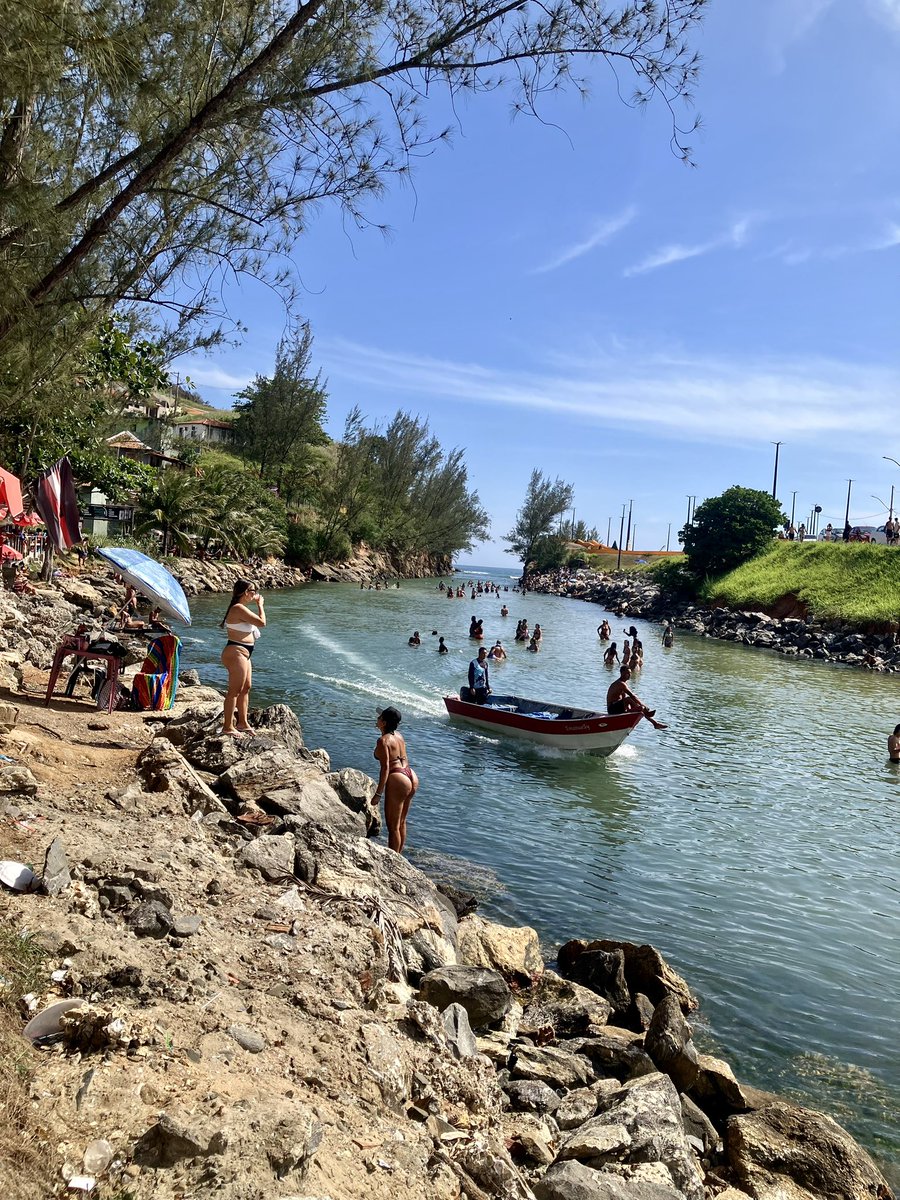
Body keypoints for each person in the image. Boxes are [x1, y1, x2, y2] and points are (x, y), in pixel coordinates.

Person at [220, 579, 266, 737]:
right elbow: (262, 622)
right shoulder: (238, 608)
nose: (255, 594)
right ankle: (227, 727)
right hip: (236, 651)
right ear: (246, 592)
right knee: (234, 690)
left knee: (246, 688)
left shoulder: (242, 608)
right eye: (253, 590)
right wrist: (260, 605)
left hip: (245, 652)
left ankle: (242, 722)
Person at [373, 706, 418, 854]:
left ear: (384, 723)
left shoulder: (383, 741)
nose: (377, 719)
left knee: (393, 827)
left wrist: (378, 794)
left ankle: (393, 863)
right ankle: (399, 858)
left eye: (380, 718)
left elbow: (385, 768)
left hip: (397, 777)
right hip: (410, 774)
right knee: (401, 822)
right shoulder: (399, 736)